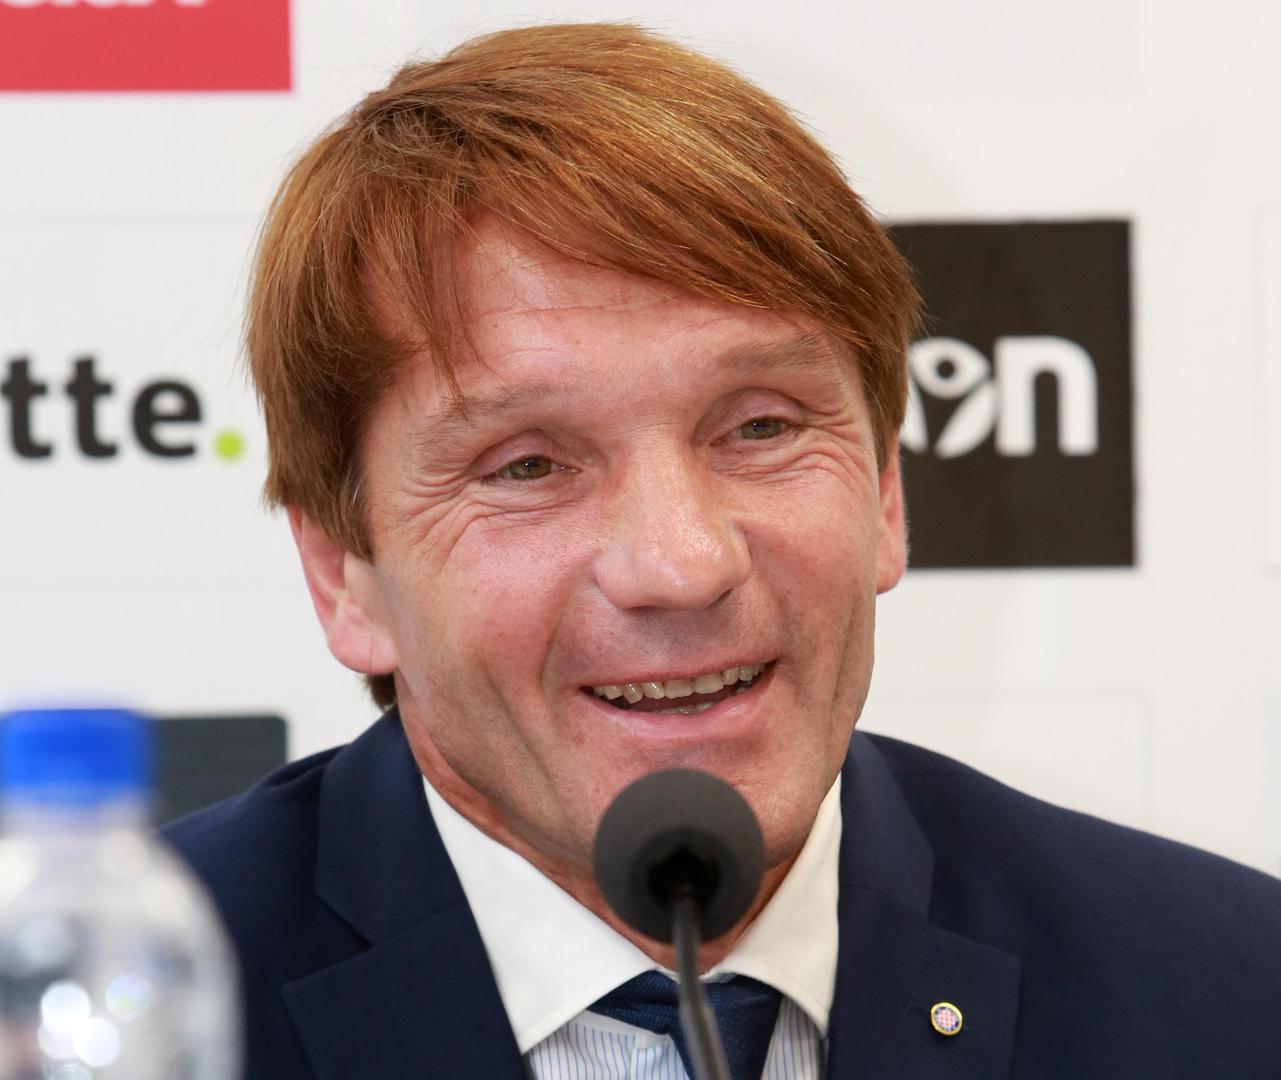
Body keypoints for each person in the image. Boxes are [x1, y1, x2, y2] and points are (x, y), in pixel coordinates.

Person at [166, 22, 1281, 1080]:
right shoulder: (116, 1016)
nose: (683, 563)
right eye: (528, 466)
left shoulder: (1230, 995)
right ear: (343, 574)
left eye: (759, 428)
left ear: (884, 491)